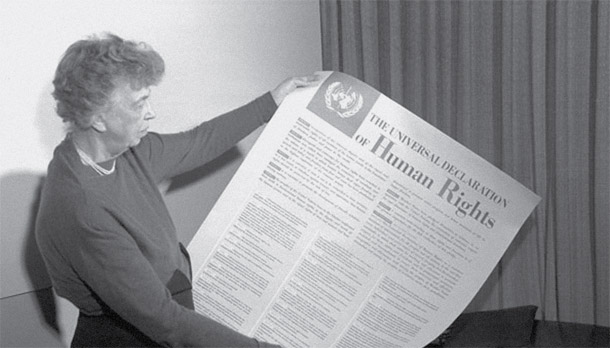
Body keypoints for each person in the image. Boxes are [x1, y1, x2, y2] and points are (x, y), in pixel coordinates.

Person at [35, 32, 317, 347]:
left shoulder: (126, 152)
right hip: (128, 336)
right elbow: (165, 322)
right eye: (139, 102)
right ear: (97, 118)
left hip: (165, 311)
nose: (151, 112)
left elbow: (199, 142)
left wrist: (270, 103)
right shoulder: (82, 208)